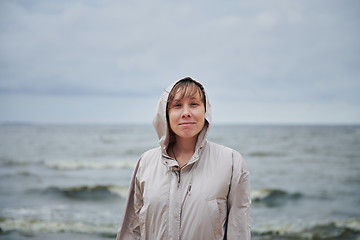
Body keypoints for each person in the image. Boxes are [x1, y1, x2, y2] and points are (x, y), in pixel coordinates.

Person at [116, 77, 251, 240]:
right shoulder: (146, 162)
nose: (186, 112)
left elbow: (239, 230)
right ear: (165, 113)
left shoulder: (231, 162)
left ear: (205, 110)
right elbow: (131, 229)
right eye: (177, 105)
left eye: (194, 104)